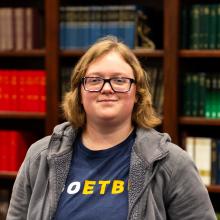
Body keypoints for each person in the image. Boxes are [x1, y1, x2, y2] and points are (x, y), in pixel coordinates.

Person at [7, 36, 216, 220]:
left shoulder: (171, 163)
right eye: (95, 80)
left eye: (119, 80)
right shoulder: (40, 157)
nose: (107, 89)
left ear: (137, 94)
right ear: (79, 92)